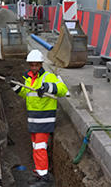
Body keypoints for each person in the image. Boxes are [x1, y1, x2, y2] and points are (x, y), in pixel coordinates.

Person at [5, 49, 68, 185]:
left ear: (41, 64)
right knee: (36, 146)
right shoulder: (29, 79)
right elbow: (26, 94)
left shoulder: (48, 77)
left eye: (36, 65)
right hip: (33, 118)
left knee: (39, 147)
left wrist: (47, 87)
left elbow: (63, 90)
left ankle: (43, 175)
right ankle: (39, 171)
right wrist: (14, 86)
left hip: (44, 118)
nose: (34, 67)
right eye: (32, 65)